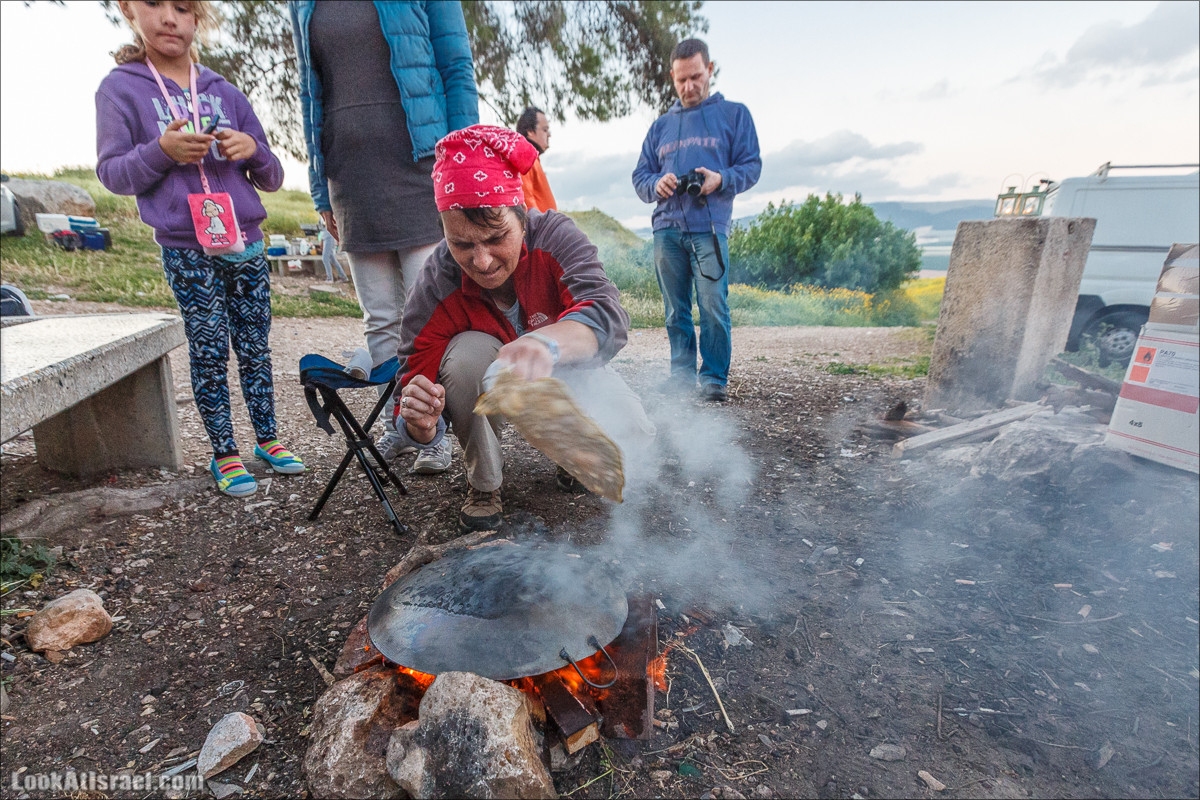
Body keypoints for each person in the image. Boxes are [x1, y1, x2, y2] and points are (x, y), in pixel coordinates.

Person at [391, 125, 654, 532]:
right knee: (463, 358)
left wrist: (548, 343)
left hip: (564, 364)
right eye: (462, 244)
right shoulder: (436, 280)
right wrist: (421, 426)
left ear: (521, 216)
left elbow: (607, 313)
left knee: (633, 432)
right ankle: (484, 484)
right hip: (481, 373)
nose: (482, 262)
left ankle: (573, 456)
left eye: (496, 238)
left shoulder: (555, 236)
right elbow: (411, 383)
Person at [96, 0, 305, 498]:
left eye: (183, 8)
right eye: (154, 4)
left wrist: (254, 151)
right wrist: (160, 152)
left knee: (254, 344)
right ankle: (224, 452)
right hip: (186, 245)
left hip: (245, 241)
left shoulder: (224, 91)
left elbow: (273, 175)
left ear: (197, 19)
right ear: (128, 10)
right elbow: (112, 173)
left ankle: (268, 439)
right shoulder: (120, 89)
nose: (169, 18)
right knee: (209, 345)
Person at [289, 0, 479, 474]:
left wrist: (462, 165)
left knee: (429, 315)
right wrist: (320, 189)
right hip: (349, 173)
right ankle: (403, 421)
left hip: (422, 163)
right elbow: (310, 94)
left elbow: (456, 68)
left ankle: (435, 429)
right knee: (380, 319)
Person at [632, 37, 761, 403]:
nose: (689, 87)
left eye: (696, 77)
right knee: (675, 309)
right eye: (681, 80)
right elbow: (640, 177)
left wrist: (721, 179)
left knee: (713, 306)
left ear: (710, 70)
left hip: (710, 229)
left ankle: (714, 378)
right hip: (666, 229)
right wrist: (656, 184)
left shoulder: (734, 115)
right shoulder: (660, 126)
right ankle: (682, 375)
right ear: (672, 78)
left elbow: (752, 166)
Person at [515, 106, 557, 213]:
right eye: (545, 130)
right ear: (530, 131)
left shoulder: (532, 159)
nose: (549, 135)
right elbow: (527, 203)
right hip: (539, 223)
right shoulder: (525, 157)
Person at [318, 215, 348, 283]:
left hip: (329, 236)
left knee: (325, 258)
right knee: (332, 259)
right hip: (325, 235)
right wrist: (322, 240)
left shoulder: (329, 213)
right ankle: (343, 276)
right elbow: (322, 228)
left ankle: (330, 278)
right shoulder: (321, 214)